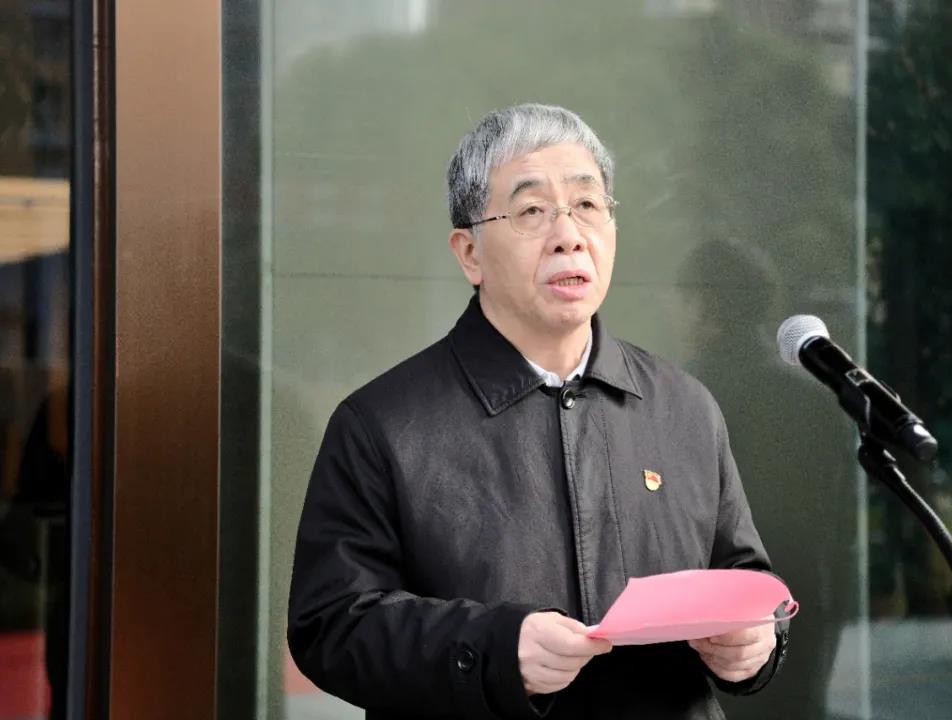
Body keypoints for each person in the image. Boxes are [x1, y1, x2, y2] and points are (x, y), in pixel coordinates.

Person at [287, 103, 788, 719]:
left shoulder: (684, 407)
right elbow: (332, 625)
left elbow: (742, 575)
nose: (569, 235)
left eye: (588, 204)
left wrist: (757, 641)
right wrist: (494, 651)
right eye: (531, 211)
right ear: (469, 253)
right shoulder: (383, 425)